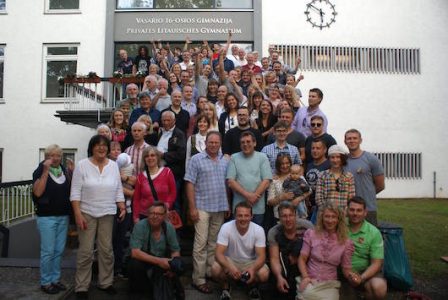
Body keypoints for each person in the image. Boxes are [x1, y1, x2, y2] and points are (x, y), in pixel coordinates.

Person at [70, 135, 126, 299]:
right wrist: (77, 214)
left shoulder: (114, 166)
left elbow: (118, 188)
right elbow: (74, 192)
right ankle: (81, 286)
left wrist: (121, 204)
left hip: (108, 212)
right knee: (86, 251)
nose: (101, 148)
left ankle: (106, 282)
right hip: (86, 212)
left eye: (104, 145)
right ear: (92, 147)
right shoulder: (82, 165)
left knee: (106, 250)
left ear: (108, 148)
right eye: (98, 145)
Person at [184, 131, 230, 294]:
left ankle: (210, 272)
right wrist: (192, 207)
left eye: (216, 142)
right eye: (211, 142)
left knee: (213, 243)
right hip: (202, 207)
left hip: (219, 207)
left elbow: (226, 184)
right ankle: (199, 279)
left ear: (220, 143)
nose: (213, 145)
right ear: (206, 143)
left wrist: (227, 205)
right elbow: (189, 184)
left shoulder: (225, 161)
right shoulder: (196, 159)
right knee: (200, 244)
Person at [32, 144, 71, 294]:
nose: (55, 158)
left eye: (58, 155)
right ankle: (46, 282)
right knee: (48, 251)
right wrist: (46, 171)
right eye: (51, 156)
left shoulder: (63, 170)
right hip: (47, 217)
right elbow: (38, 192)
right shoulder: (40, 170)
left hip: (63, 216)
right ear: (46, 157)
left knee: (59, 250)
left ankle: (55, 279)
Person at [211, 202, 270, 300]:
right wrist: (230, 267)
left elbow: (262, 256)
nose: (243, 219)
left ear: (251, 216)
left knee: (264, 274)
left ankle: (252, 287)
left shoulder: (258, 230)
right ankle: (225, 288)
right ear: (235, 216)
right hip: (231, 260)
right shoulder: (226, 227)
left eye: (246, 215)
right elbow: (218, 253)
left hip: (250, 262)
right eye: (240, 215)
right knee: (215, 269)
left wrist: (252, 269)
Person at [127, 202, 184, 299]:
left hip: (162, 260)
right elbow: (135, 252)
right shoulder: (140, 226)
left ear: (165, 216)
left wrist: (172, 268)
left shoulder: (169, 227)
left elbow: (175, 251)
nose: (155, 216)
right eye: (152, 213)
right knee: (134, 264)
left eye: (159, 214)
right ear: (147, 214)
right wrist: (159, 261)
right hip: (145, 260)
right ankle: (140, 291)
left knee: (179, 264)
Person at [297, 204, 354, 300]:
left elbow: (346, 269)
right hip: (310, 279)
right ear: (322, 218)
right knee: (307, 294)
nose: (330, 220)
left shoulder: (346, 243)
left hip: (329, 283)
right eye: (327, 216)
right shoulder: (311, 234)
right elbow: (302, 259)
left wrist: (352, 277)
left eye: (333, 217)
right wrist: (306, 277)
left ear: (338, 219)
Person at [342, 197, 387, 300]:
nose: (355, 213)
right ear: (347, 210)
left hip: (365, 273)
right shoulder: (340, 226)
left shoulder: (374, 232)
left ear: (365, 212)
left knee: (379, 287)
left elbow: (377, 263)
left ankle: (365, 294)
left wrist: (361, 278)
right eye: (352, 210)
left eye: (359, 210)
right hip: (342, 272)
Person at [268, 202, 313, 300]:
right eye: (284, 216)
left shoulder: (307, 226)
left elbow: (315, 250)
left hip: (305, 263)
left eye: (290, 215)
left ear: (295, 215)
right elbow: (274, 258)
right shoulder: (273, 232)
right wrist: (279, 277)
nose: (288, 219)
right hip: (285, 266)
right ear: (279, 218)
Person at [227, 131, 272, 226]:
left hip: (258, 208)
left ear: (254, 143)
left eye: (248, 141)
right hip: (239, 208)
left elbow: (267, 180)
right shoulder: (234, 158)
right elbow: (231, 181)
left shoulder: (262, 157)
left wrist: (255, 195)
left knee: (256, 235)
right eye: (242, 142)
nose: (245, 144)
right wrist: (249, 196)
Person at [344, 129, 385, 226]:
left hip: (367, 208)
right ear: (345, 141)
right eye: (349, 139)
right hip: (349, 209)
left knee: (369, 237)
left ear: (360, 140)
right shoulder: (343, 161)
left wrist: (368, 194)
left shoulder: (371, 159)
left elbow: (380, 185)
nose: (352, 141)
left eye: (355, 138)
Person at [132, 146, 176, 224]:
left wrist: (167, 205)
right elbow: (136, 199)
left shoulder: (167, 172)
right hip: (145, 216)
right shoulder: (140, 177)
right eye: (147, 156)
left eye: (152, 155)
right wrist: (136, 217)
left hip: (162, 214)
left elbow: (173, 192)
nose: (150, 158)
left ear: (158, 157)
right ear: (144, 159)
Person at [156, 110, 187, 212]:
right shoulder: (160, 132)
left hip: (174, 172)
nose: (165, 122)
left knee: (174, 199)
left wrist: (164, 155)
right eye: (164, 120)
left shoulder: (179, 134)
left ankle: (176, 226)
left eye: (168, 120)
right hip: (159, 171)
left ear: (174, 121)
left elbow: (181, 154)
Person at [315, 145, 355, 212]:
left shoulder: (349, 176)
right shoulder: (322, 175)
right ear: (329, 159)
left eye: (338, 157)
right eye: (332, 157)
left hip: (343, 214)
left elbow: (351, 197)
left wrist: (344, 212)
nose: (335, 160)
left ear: (342, 159)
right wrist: (327, 212)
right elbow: (319, 198)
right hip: (326, 214)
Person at [305, 139, 331, 221]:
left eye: (318, 148)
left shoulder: (329, 165)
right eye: (313, 148)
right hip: (308, 205)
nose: (315, 151)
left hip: (322, 206)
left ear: (325, 150)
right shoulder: (309, 165)